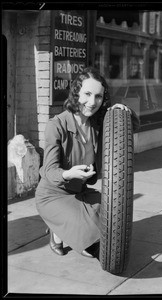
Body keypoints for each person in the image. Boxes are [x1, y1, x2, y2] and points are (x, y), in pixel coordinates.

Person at [35, 66, 139, 258]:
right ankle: (57, 227)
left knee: (115, 215)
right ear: (76, 93)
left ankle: (63, 225)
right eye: (87, 94)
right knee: (94, 248)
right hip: (53, 194)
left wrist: (121, 112)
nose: (92, 102)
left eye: (98, 96)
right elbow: (49, 171)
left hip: (80, 192)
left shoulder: (98, 122)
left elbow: (133, 126)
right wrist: (68, 174)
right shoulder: (56, 125)